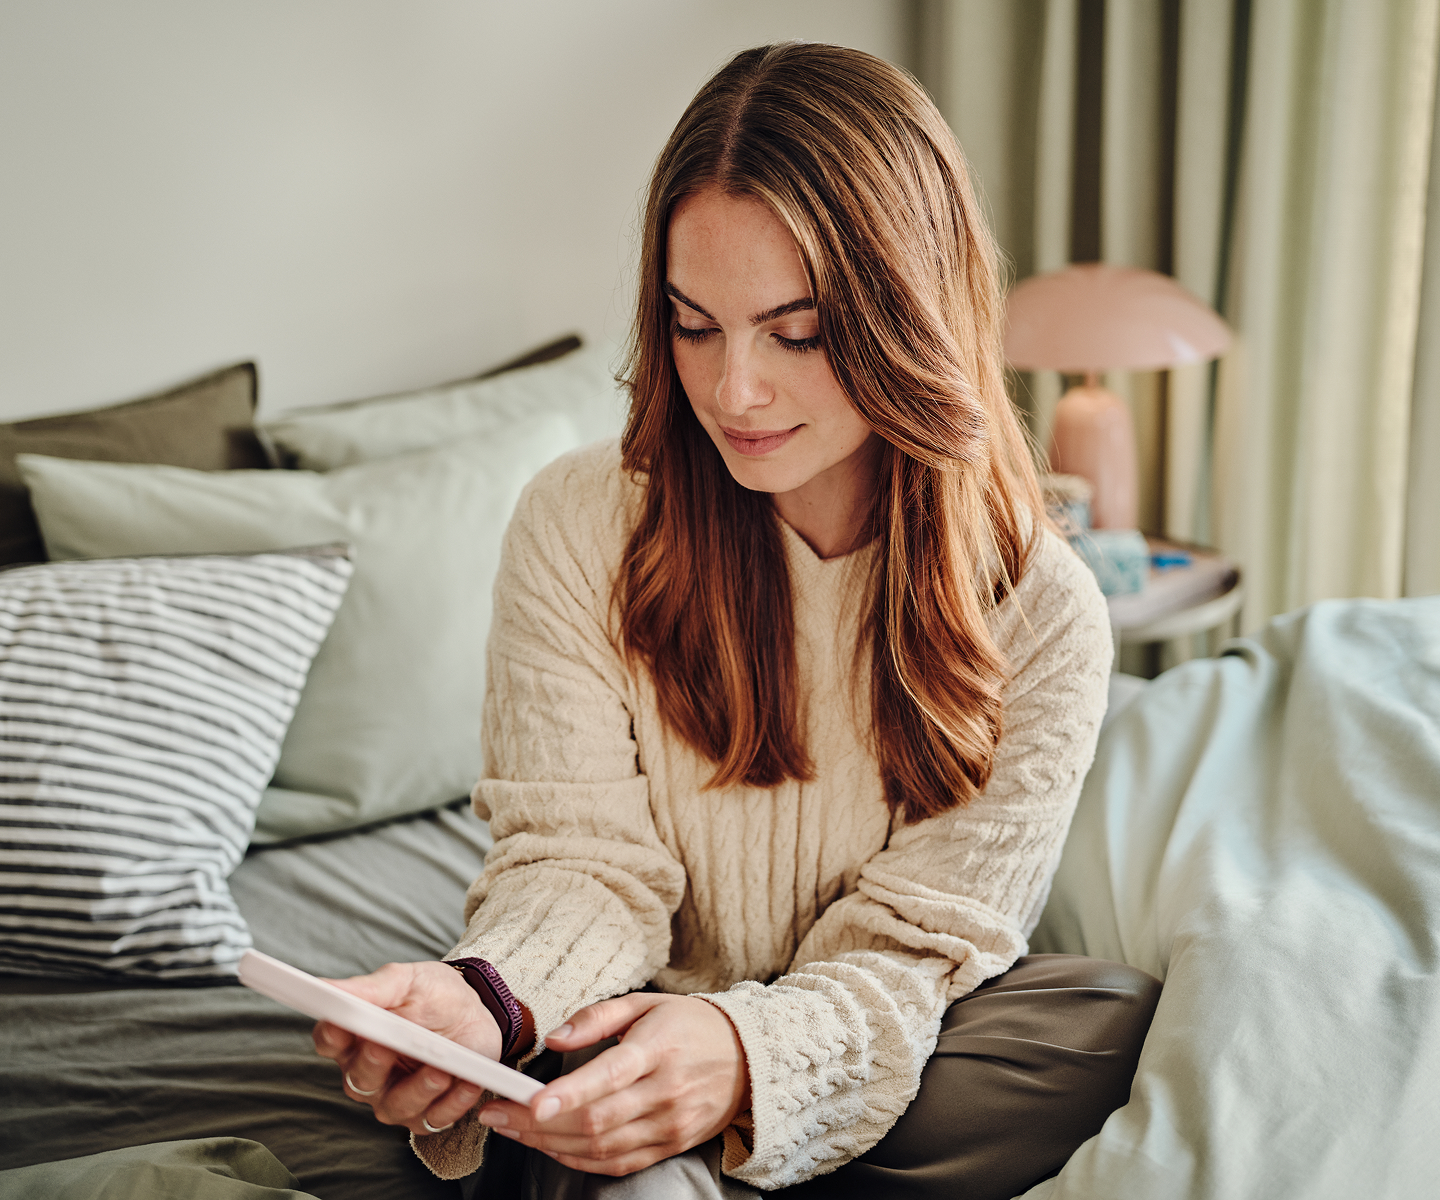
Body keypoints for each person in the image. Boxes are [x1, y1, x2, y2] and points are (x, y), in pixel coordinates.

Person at [313, 42, 1160, 1200]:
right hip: (629, 1005)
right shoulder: (580, 522)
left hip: (853, 1023)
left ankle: (699, 1141)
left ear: (906, 314)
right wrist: (489, 1001)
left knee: (1098, 1024)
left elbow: (914, 948)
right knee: (593, 1131)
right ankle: (659, 1145)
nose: (733, 391)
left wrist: (748, 1059)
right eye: (693, 324)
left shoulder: (1043, 610)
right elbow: (580, 862)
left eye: (795, 332)